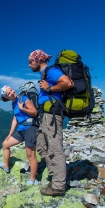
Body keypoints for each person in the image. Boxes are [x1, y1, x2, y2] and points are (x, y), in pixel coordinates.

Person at [28, 49, 73, 196]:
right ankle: (55, 176)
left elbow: (67, 83)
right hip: (45, 115)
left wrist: (49, 88)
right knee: (41, 146)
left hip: (52, 115)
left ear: (39, 60)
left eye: (30, 61)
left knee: (54, 148)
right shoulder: (45, 73)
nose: (29, 65)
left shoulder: (51, 70)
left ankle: (59, 186)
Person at [0, 85, 39, 185]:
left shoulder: (23, 99)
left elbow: (34, 112)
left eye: (11, 90)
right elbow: (15, 119)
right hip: (21, 130)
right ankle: (6, 166)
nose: (12, 92)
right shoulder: (13, 103)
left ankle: (33, 179)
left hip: (30, 128)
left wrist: (22, 108)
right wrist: (10, 134)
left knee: (30, 155)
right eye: (9, 93)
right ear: (7, 97)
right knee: (5, 144)